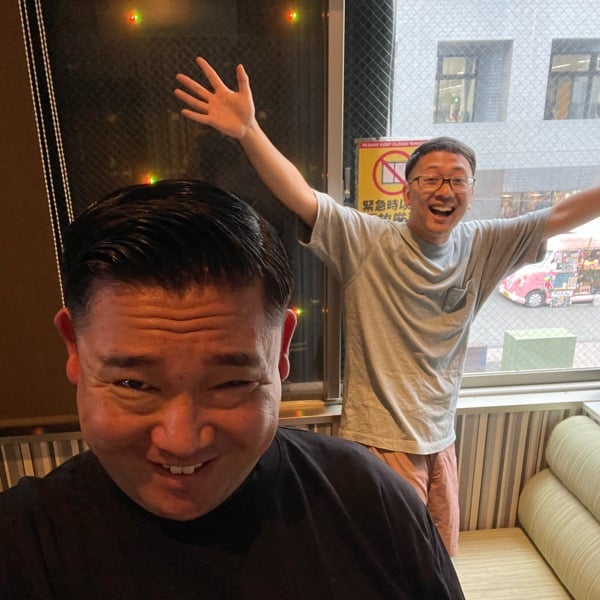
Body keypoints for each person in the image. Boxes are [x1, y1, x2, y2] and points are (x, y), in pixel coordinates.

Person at [174, 57, 600, 556]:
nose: (445, 190)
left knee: (439, 560)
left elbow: (562, 214)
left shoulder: (484, 245)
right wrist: (249, 131)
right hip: (379, 440)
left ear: (471, 191)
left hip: (441, 440)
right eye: (431, 179)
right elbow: (301, 196)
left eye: (458, 180)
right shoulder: (368, 240)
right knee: (384, 559)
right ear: (407, 189)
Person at [0, 179, 464, 599]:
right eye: (134, 384)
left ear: (281, 350)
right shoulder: (22, 545)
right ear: (74, 348)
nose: (181, 441)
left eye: (230, 383)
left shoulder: (370, 502)